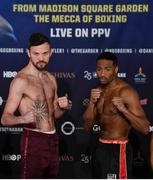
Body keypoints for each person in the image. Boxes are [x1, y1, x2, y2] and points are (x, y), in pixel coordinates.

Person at [1, 32, 69, 178]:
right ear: (28, 53)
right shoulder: (21, 80)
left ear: (51, 52)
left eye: (45, 53)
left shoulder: (50, 78)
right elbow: (5, 119)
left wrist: (62, 108)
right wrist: (22, 119)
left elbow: (54, 115)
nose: (41, 58)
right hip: (33, 140)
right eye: (36, 54)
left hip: (53, 140)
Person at [83, 52, 150, 179]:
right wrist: (91, 103)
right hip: (100, 148)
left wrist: (123, 110)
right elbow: (86, 126)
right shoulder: (98, 91)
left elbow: (145, 128)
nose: (102, 73)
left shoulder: (126, 92)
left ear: (116, 70)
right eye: (99, 69)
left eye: (107, 69)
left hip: (119, 149)